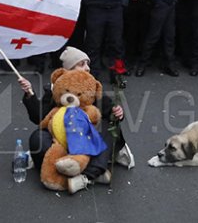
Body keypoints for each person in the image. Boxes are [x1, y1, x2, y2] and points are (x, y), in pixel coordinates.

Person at [17, 46, 133, 194]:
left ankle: (87, 176)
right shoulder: (55, 90)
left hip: (84, 142)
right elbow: (39, 118)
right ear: (69, 69)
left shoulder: (90, 87)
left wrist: (117, 113)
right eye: (82, 64)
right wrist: (29, 94)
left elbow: (108, 109)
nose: (87, 68)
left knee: (110, 127)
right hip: (60, 141)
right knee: (37, 137)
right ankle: (68, 171)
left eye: (88, 64)